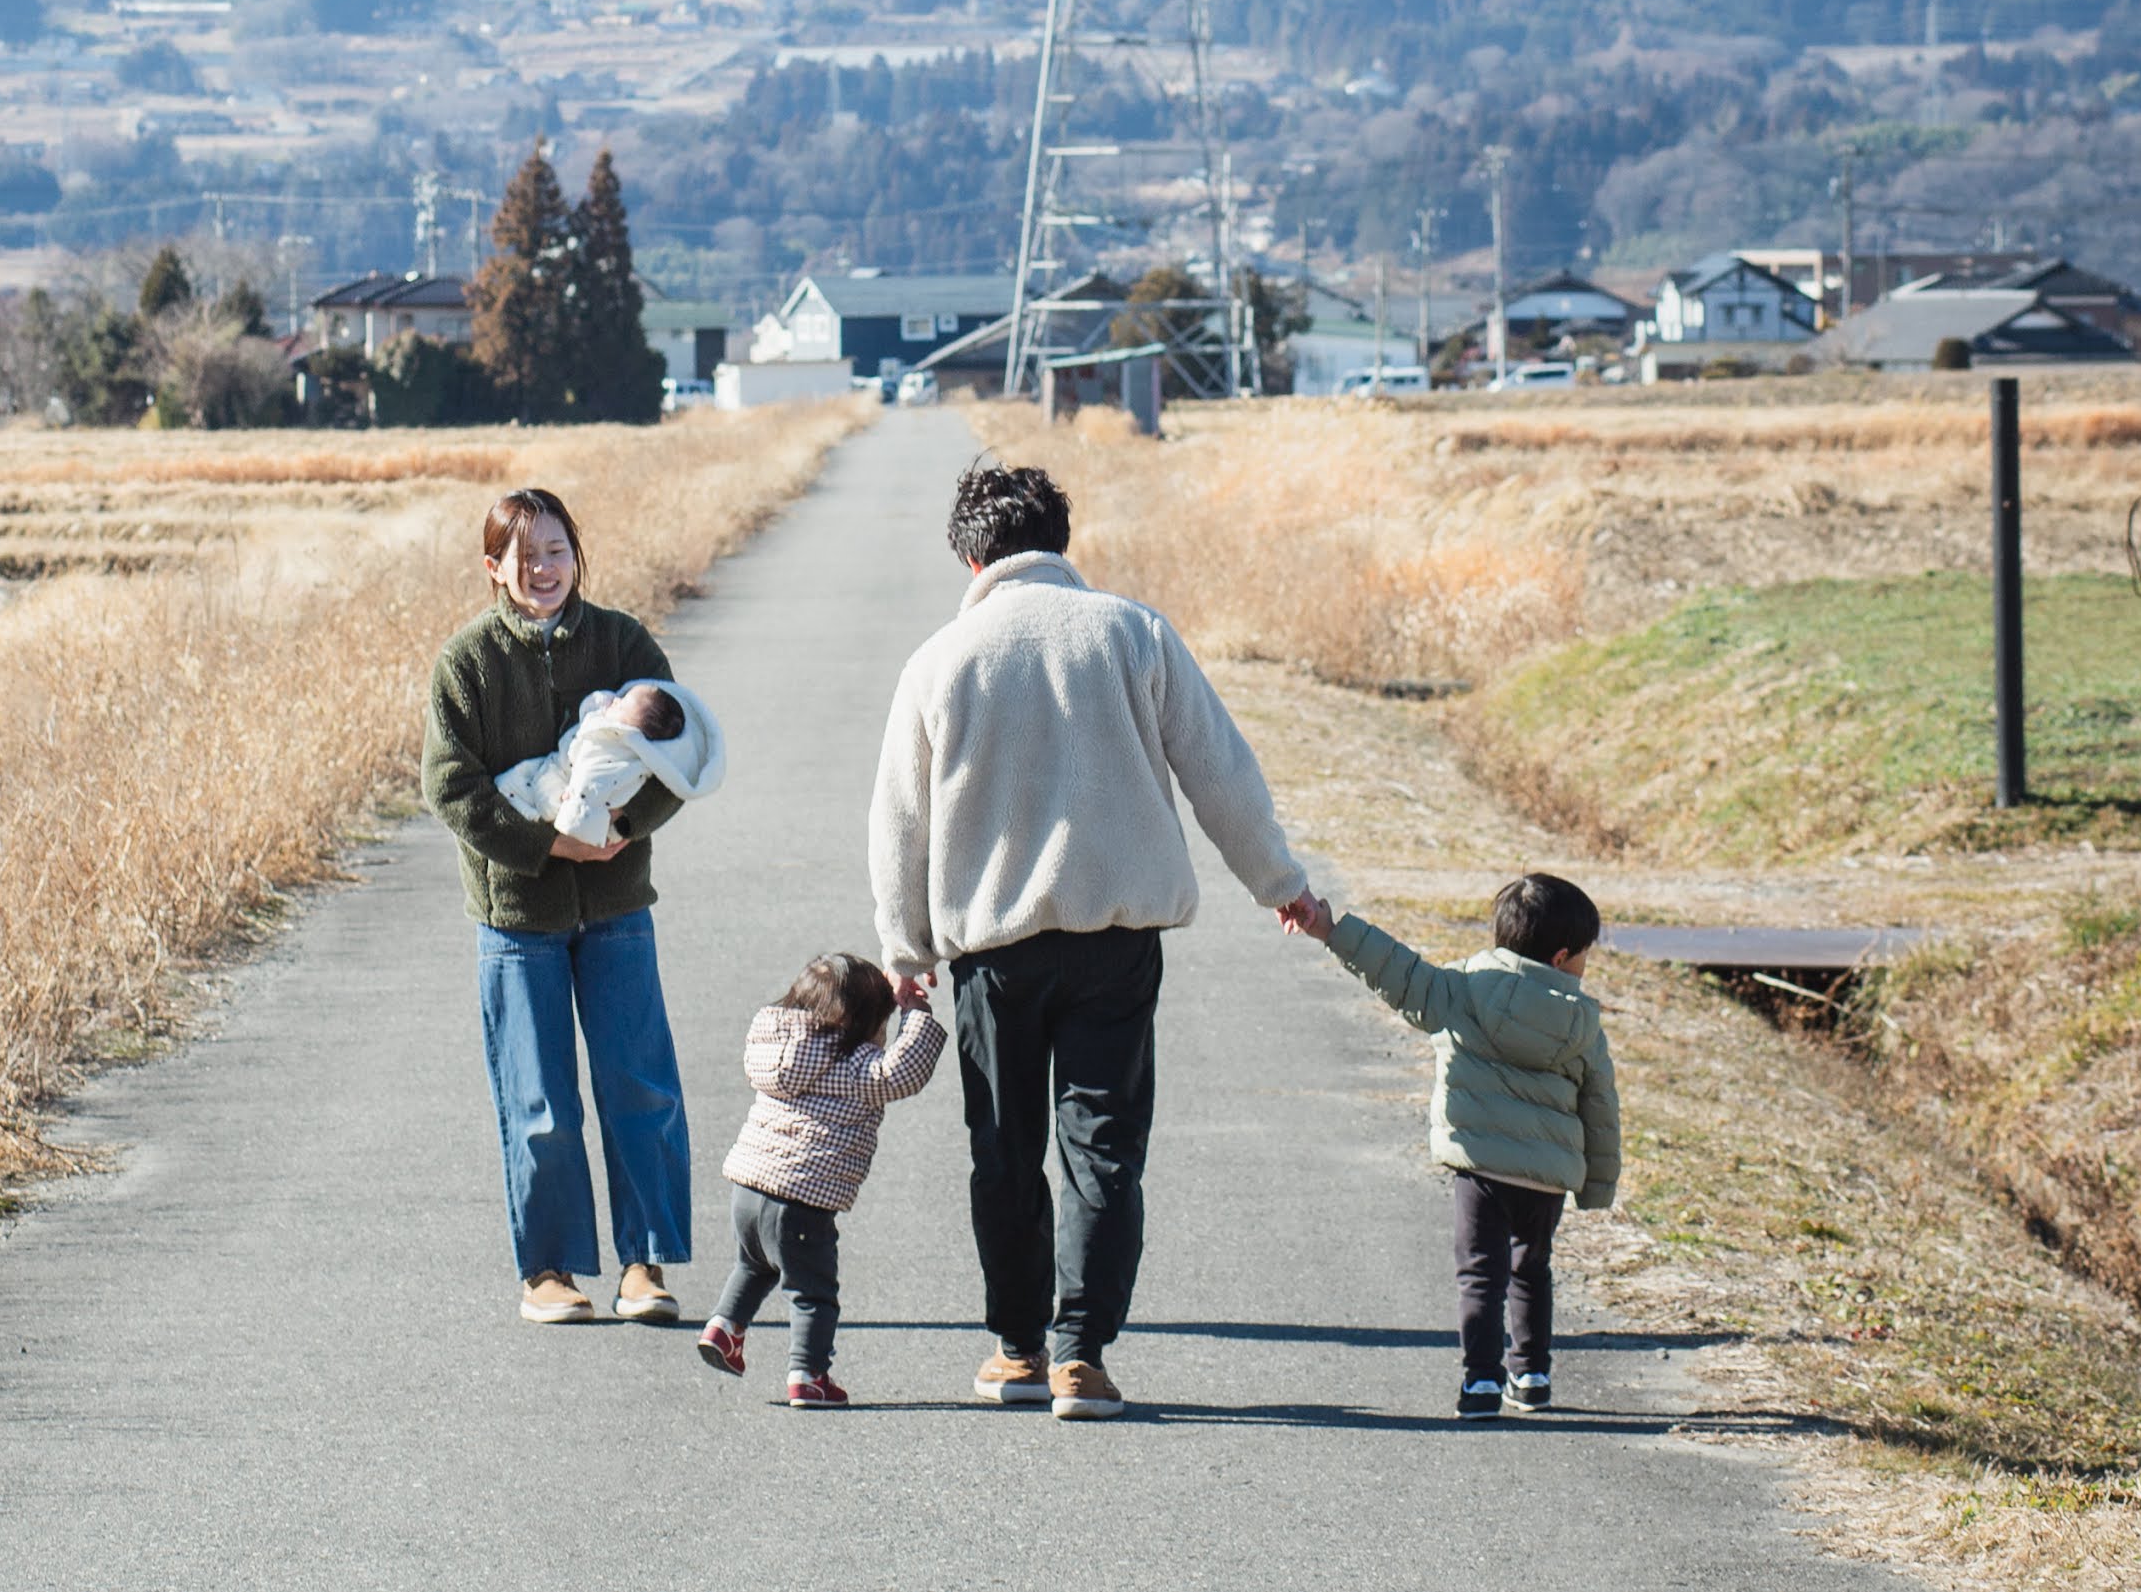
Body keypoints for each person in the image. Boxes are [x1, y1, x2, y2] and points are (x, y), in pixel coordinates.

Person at [869, 456, 1319, 1419]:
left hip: (992, 949)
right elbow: (1220, 771)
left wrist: (904, 954)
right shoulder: (1131, 631)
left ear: (969, 553)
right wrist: (1280, 884)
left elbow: (898, 822)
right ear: (1061, 542)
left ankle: (1018, 1347)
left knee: (1004, 1145)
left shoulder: (939, 660)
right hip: (1117, 939)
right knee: (1102, 1144)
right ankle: (1084, 1355)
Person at [421, 485, 699, 1325]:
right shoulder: (465, 662)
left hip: (616, 903)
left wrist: (617, 826)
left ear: (576, 552)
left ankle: (644, 1265)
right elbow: (451, 787)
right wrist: (548, 845)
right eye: (524, 554)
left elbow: (677, 751)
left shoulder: (623, 641)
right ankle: (549, 1271)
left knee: (639, 1085)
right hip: (516, 917)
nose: (542, 568)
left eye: (555, 549)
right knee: (537, 1099)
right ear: (493, 569)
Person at [1285, 871, 1624, 1416]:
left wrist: (1329, 928)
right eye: (1586, 955)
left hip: (1481, 1170)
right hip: (1546, 1179)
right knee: (1531, 1270)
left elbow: (1396, 970)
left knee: (1480, 1275)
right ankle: (1533, 1375)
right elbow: (1601, 1108)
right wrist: (1599, 1185)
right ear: (1561, 958)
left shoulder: (1463, 989)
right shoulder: (1582, 1023)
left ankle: (1482, 1381)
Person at [696, 951, 948, 1406]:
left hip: (747, 1191)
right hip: (800, 1203)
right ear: (862, 1024)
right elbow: (903, 1071)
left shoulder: (779, 1049)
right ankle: (808, 1375)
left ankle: (724, 1327)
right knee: (813, 1293)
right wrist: (917, 1016)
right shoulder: (854, 1066)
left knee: (753, 1265)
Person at [496, 678, 728, 846]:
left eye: (622, 703)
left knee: (523, 784)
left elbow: (593, 779)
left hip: (571, 794)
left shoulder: (612, 747)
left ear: (631, 727)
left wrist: (574, 819)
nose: (614, 701)